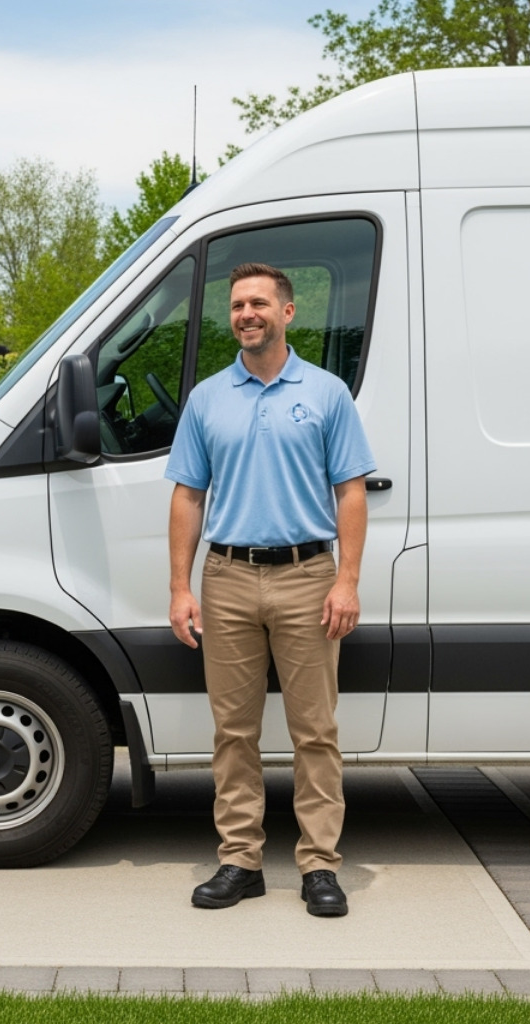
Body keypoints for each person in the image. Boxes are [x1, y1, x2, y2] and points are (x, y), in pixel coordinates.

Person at [164, 262, 375, 917]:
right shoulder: (207, 399)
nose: (246, 313)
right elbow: (188, 495)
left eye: (259, 303)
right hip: (226, 578)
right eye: (237, 305)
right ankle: (240, 861)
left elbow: (350, 492)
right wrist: (180, 587)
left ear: (288, 313)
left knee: (315, 731)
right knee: (234, 732)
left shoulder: (327, 393)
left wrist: (346, 580)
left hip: (308, 577)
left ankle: (318, 866)